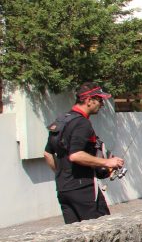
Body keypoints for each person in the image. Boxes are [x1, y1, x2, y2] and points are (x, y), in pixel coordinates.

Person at [43, 82, 125, 224]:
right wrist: (107, 162)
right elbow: (76, 155)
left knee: (74, 235)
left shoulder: (62, 120)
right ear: (88, 100)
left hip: (63, 189)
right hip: (83, 189)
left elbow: (47, 154)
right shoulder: (82, 123)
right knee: (103, 229)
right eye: (99, 100)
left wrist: (61, 174)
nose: (102, 104)